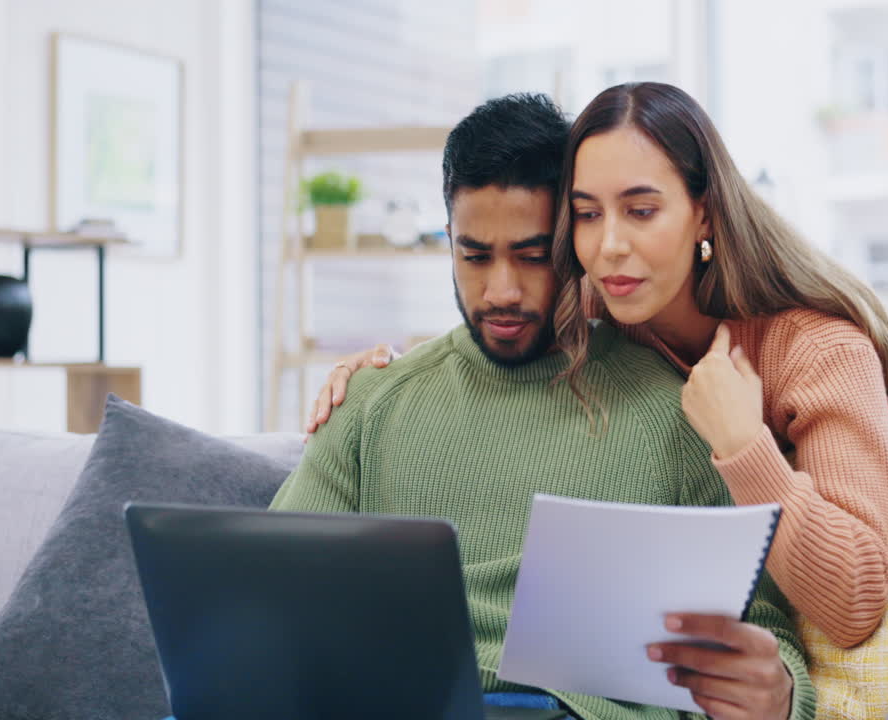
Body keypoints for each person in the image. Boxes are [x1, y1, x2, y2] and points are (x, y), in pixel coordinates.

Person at [309, 83, 888, 650]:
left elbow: (856, 602)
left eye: (641, 211)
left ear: (704, 214)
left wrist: (743, 444)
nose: (609, 246)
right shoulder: (599, 300)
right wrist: (385, 375)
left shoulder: (816, 349)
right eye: (586, 214)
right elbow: (500, 313)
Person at [275, 93, 816, 720]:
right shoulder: (372, 405)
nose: (501, 290)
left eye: (532, 256)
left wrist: (780, 693)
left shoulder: (677, 411)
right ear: (449, 242)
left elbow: (762, 629)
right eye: (475, 256)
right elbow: (268, 596)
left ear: (572, 242)